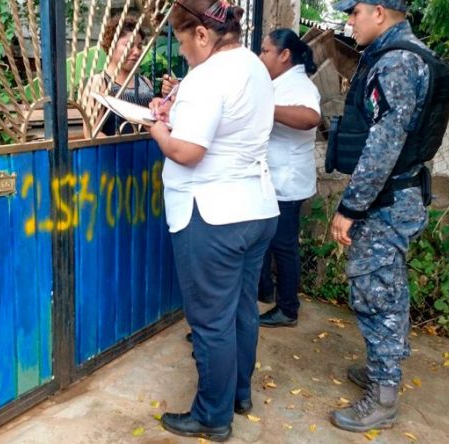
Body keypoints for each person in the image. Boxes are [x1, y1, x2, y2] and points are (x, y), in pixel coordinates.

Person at [147, 0, 278, 440]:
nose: (183, 54)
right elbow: (225, 127)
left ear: (202, 35)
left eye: (183, 43)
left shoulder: (208, 76)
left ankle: (212, 416)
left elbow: (187, 151)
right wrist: (176, 114)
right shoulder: (255, 67)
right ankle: (237, 394)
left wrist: (157, 129)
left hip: (213, 216)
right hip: (257, 209)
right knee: (242, 310)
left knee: (210, 323)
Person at [325, 0, 449, 433]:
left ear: (379, 12)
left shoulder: (396, 61)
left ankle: (382, 397)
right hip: (398, 196)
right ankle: (385, 371)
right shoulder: (407, 54)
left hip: (385, 202)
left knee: (375, 292)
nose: (349, 20)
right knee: (389, 288)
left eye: (355, 11)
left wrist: (349, 208)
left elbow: (383, 145)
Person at [255, 28, 322, 327]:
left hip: (288, 182)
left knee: (283, 245)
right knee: (267, 241)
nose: (261, 56)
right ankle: (266, 292)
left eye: (266, 50)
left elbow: (311, 117)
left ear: (284, 55)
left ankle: (288, 309)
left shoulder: (299, 84)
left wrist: (266, 108)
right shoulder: (277, 82)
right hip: (273, 179)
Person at [82, 15, 154, 136]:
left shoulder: (145, 82)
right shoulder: (100, 82)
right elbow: (91, 134)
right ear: (111, 45)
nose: (136, 52)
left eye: (139, 46)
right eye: (129, 45)